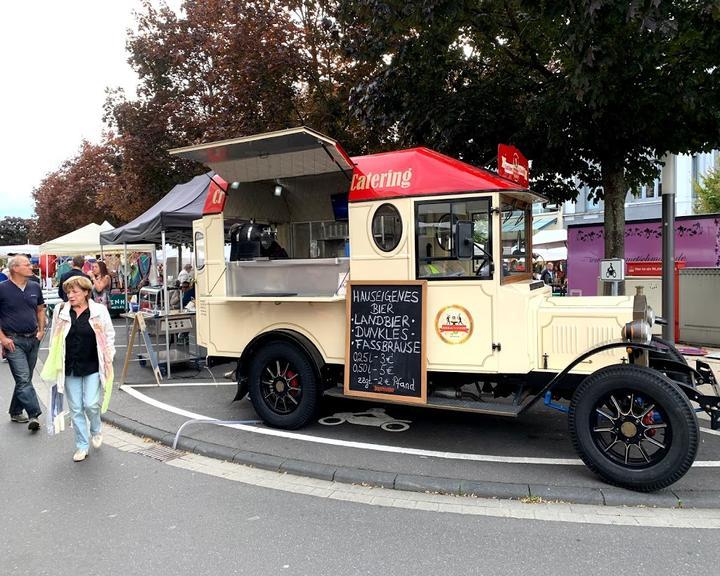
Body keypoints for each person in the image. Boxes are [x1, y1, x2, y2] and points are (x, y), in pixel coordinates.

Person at [42, 276, 115, 462]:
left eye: (75, 292)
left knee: (91, 404)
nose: (71, 296)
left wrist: (109, 356)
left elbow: (109, 334)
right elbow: (54, 339)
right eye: (68, 292)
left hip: (92, 364)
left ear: (85, 292)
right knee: (75, 408)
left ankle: (96, 429)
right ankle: (82, 445)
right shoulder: (61, 311)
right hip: (69, 366)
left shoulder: (98, 311)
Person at [0, 255, 45, 431]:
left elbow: (40, 310)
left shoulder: (35, 286)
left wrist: (41, 330)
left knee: (25, 379)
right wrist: (3, 339)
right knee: (24, 378)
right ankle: (34, 414)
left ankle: (15, 411)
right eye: (27, 265)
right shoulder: (2, 289)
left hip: (33, 339)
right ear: (15, 268)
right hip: (13, 341)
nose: (31, 267)